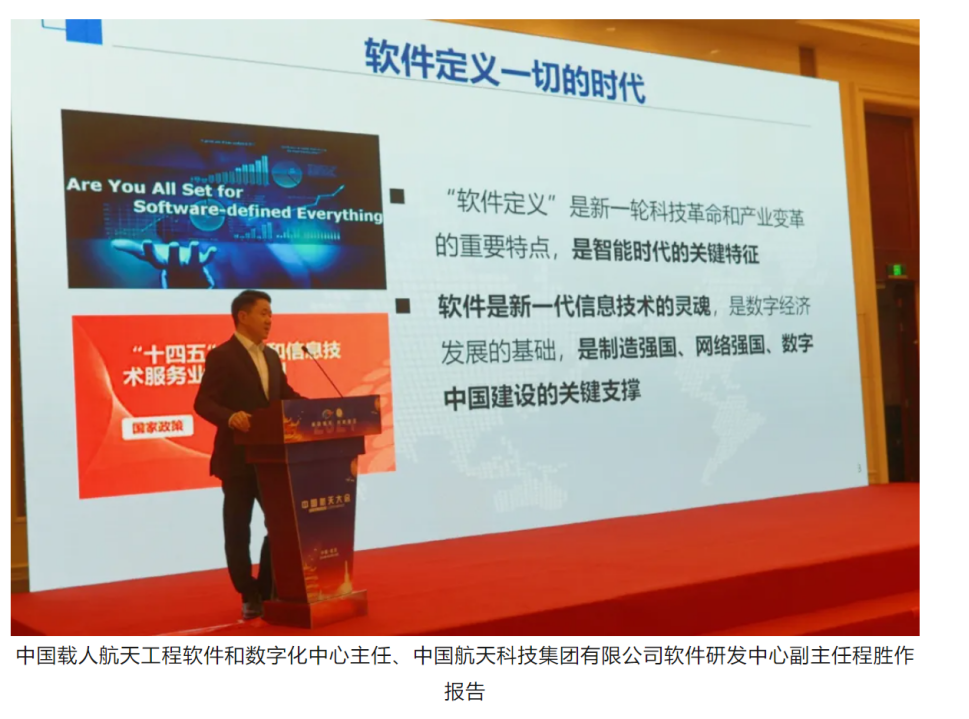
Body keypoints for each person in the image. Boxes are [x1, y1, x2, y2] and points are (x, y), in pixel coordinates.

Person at [194, 289, 304, 619]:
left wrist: (321, 411)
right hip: (237, 459)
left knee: (281, 524)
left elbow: (284, 395)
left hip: (271, 460)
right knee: (238, 529)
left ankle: (267, 587)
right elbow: (203, 402)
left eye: (271, 314)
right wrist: (230, 417)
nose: (270, 320)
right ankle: (247, 591)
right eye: (263, 313)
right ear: (243, 316)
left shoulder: (272, 357)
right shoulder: (222, 356)